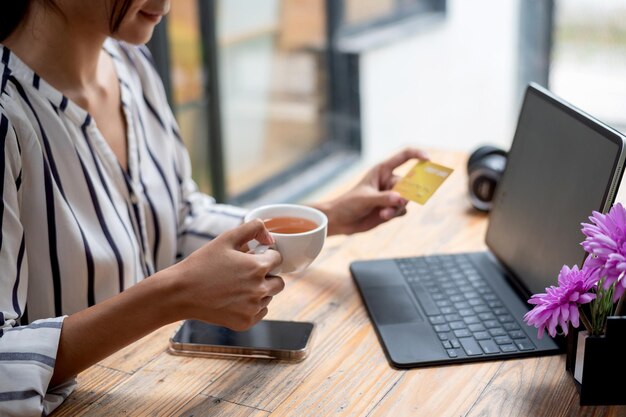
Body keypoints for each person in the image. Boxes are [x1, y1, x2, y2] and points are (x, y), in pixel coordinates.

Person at [0, 1, 428, 415]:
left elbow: (178, 220)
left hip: (154, 385)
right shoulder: (7, 117)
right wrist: (172, 296)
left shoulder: (131, 64)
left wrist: (325, 218)